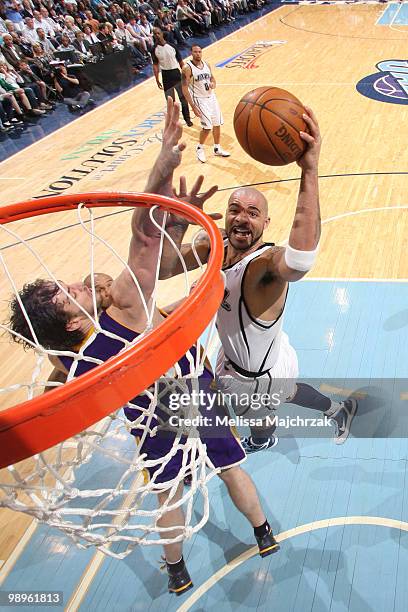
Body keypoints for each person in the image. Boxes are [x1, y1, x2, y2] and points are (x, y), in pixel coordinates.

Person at [8, 98, 280, 595]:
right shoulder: (126, 307)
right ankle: (263, 532)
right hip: (194, 392)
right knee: (230, 465)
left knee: (169, 494)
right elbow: (142, 237)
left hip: (147, 418)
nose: (75, 283)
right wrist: (160, 170)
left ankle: (176, 570)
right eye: (68, 294)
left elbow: (57, 385)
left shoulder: (67, 357)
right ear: (72, 323)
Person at [159, 107, 358, 452]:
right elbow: (162, 267)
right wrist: (177, 222)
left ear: (265, 225)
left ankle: (264, 440)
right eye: (235, 209)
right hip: (249, 356)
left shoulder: (263, 266)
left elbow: (298, 260)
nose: (242, 217)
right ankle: (338, 409)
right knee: (288, 391)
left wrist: (309, 170)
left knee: (261, 418)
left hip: (254, 376)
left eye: (253, 213)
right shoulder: (213, 245)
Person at [182, 44, 230, 163]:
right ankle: (199, 148)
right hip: (200, 99)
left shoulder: (207, 64)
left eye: (199, 52)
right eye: (195, 52)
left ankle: (217, 148)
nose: (198, 54)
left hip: (211, 97)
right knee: (207, 127)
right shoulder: (187, 68)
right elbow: (184, 88)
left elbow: (212, 79)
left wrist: (213, 84)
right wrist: (193, 106)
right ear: (191, 53)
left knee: (217, 123)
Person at [152, 27, 192, 127]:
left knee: (183, 98)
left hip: (176, 74)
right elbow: (155, 65)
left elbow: (181, 62)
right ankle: (175, 121)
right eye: (155, 34)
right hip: (165, 76)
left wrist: (186, 74)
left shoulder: (172, 46)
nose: (157, 35)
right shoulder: (154, 49)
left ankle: (187, 119)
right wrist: (157, 79)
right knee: (171, 101)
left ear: (162, 34)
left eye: (158, 33)